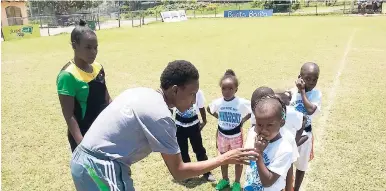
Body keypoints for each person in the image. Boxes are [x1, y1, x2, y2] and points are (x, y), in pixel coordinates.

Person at [70, 60, 258, 191]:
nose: (194, 101)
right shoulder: (161, 116)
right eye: (193, 94)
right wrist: (224, 158)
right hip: (100, 169)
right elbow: (178, 171)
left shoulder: (140, 91)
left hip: (85, 161)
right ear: (175, 90)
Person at [57, 19, 112, 152]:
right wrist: (82, 144)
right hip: (84, 135)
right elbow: (69, 115)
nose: (93, 52)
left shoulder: (98, 67)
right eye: (88, 47)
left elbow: (107, 99)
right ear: (75, 46)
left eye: (95, 47)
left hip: (104, 130)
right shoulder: (67, 75)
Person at [207, 69, 251, 191]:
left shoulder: (241, 103)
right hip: (222, 135)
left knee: (238, 159)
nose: (227, 91)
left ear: (236, 89)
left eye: (230, 89)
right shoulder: (218, 102)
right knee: (223, 158)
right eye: (224, 88)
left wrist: (243, 120)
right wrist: (218, 117)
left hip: (236, 136)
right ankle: (225, 179)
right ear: (221, 88)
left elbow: (254, 110)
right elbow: (209, 109)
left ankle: (236, 183)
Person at [243, 95, 293, 191]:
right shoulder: (257, 139)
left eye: (269, 125)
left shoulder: (284, 149)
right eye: (260, 124)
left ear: (281, 122)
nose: (264, 130)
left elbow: (267, 182)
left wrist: (259, 153)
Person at [289, 62, 322, 191]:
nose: (312, 82)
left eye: (315, 79)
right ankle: (288, 187)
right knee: (288, 163)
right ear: (300, 77)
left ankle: (296, 188)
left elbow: (310, 110)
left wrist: (302, 92)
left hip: (305, 135)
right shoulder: (291, 93)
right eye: (308, 78)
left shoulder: (316, 94)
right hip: (291, 135)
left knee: (301, 166)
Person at [172, 89, 216, 182]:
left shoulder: (198, 92)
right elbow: (170, 107)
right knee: (183, 150)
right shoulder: (176, 90)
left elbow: (201, 106)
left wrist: (204, 120)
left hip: (194, 125)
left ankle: (206, 172)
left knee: (199, 149)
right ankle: (187, 174)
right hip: (179, 125)